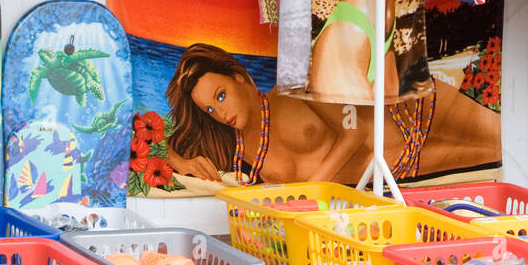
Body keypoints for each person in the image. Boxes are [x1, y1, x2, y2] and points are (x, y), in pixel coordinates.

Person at [163, 43, 501, 185]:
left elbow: (354, 131)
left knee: (503, 137)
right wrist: (179, 161)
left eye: (221, 95)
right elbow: (158, 144)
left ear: (239, 77)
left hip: (413, 113)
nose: (220, 112)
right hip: (398, 166)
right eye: (210, 108)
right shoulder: (238, 148)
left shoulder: (291, 90)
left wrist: (312, 190)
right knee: (498, 155)